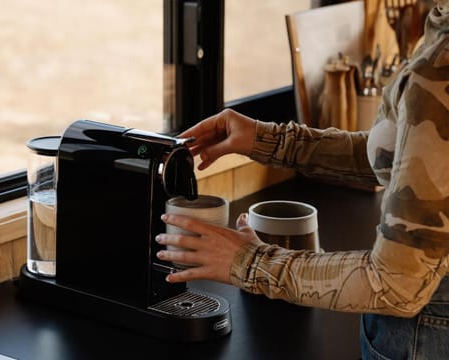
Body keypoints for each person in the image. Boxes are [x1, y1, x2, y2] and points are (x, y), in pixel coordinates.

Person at [155, 2, 449, 359]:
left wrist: (249, 262)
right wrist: (273, 140)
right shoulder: (440, 26)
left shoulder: (440, 71)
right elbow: (406, 161)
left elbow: (395, 284)